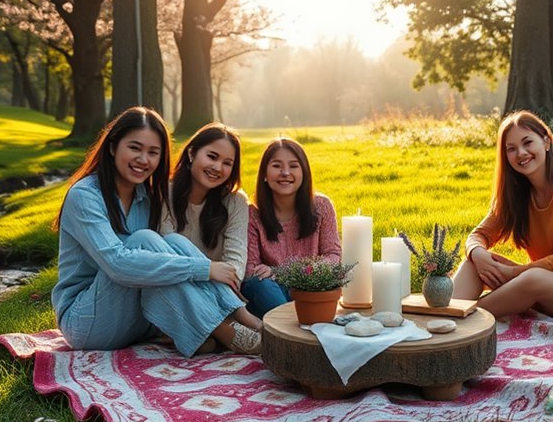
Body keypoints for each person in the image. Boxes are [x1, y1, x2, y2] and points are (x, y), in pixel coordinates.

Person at [51, 107, 260, 357]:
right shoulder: (85, 196)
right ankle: (228, 332)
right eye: (135, 148)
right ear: (112, 147)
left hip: (140, 321)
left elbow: (161, 262)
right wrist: (205, 268)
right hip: (88, 322)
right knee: (144, 240)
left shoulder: (148, 197)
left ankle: (236, 323)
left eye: (153, 152)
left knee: (171, 241)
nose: (144, 160)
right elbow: (118, 264)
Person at [452, 110, 553, 320]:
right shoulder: (516, 193)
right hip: (535, 284)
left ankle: (462, 318)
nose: (521, 153)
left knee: (533, 278)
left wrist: (512, 274)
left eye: (528, 143)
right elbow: (478, 235)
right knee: (475, 263)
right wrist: (478, 254)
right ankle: (446, 315)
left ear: (546, 141)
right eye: (512, 149)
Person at [161, 123, 262, 333]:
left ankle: (220, 331)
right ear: (191, 153)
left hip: (222, 293)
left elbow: (235, 263)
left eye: (227, 163)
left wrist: (220, 277)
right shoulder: (164, 195)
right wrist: (209, 271)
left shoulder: (235, 202)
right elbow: (168, 257)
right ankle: (239, 325)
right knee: (174, 243)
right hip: (176, 289)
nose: (217, 168)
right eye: (212, 156)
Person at [241, 138, 342, 318]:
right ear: (264, 173)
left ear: (304, 172)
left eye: (294, 166)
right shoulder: (253, 215)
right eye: (277, 166)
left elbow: (333, 256)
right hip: (271, 291)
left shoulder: (322, 207)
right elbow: (251, 270)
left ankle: (288, 326)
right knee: (258, 284)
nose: (285, 172)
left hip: (311, 289)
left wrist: (281, 272)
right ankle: (293, 326)